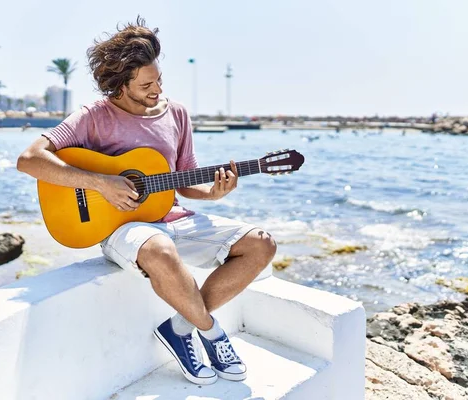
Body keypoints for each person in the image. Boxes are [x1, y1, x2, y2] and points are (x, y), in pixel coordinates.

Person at [16, 16, 276, 385]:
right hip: (124, 226)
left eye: (159, 80)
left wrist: (213, 192)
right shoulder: (94, 116)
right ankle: (213, 333)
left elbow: (185, 180)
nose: (156, 89)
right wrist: (101, 183)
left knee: (260, 245)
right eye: (146, 84)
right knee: (160, 251)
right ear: (121, 86)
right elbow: (29, 160)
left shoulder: (177, 114)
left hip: (174, 217)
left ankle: (179, 328)